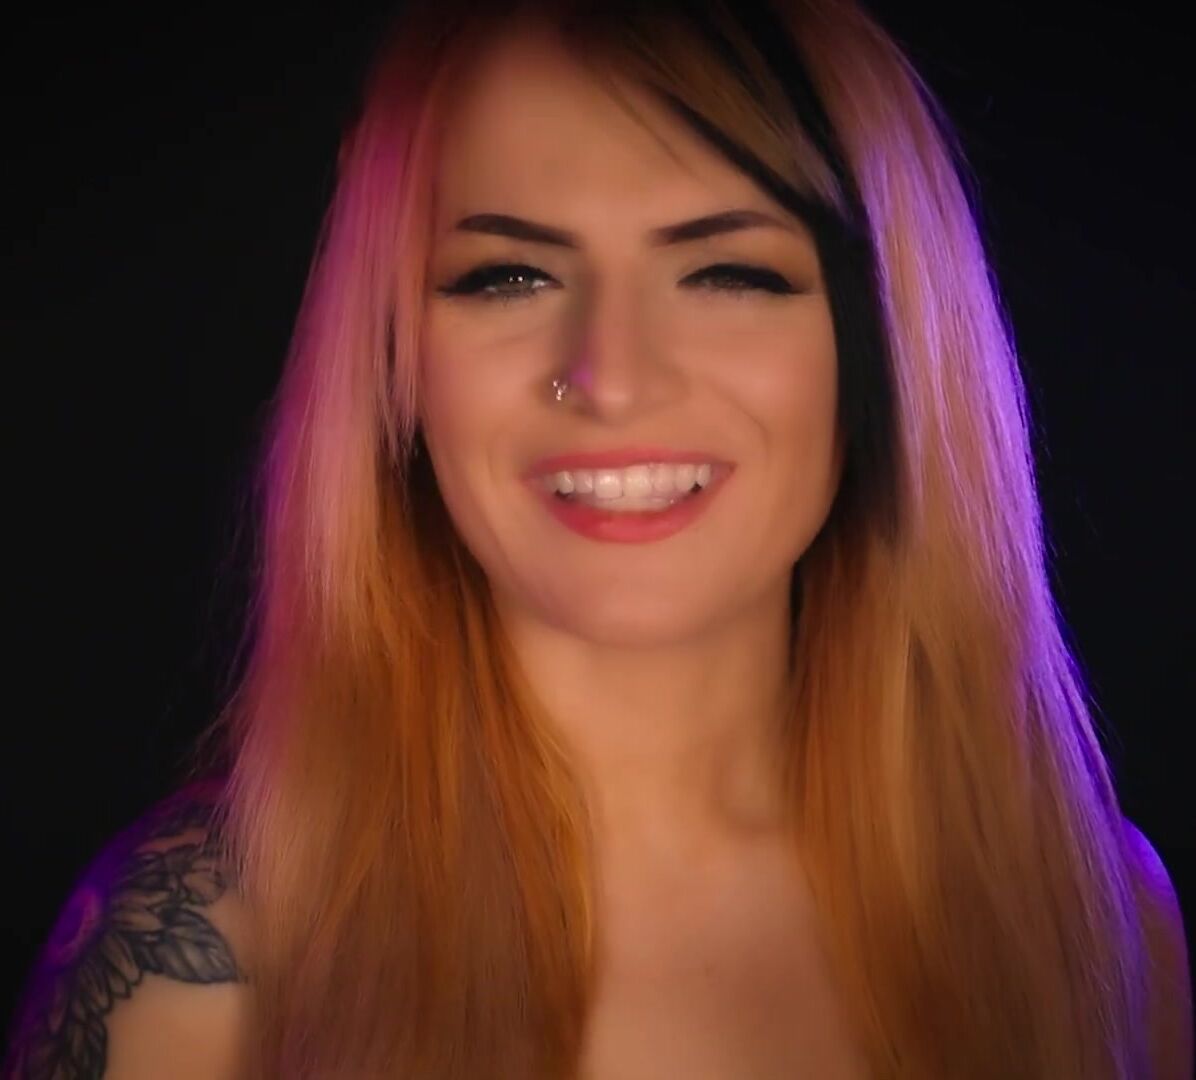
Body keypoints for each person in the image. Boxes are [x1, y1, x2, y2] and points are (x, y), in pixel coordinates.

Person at [5, 0, 1191, 1077]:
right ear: (396, 361)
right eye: (507, 276)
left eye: (726, 272)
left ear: (881, 350)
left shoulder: (1094, 923)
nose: (610, 377)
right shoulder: (197, 950)